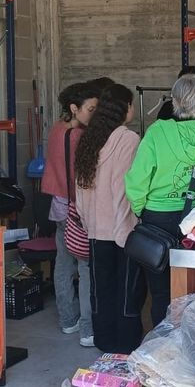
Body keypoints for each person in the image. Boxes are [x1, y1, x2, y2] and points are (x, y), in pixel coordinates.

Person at [126, 73, 195, 327]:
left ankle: (164, 345)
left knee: (161, 293)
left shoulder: (157, 133)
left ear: (174, 101)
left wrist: (141, 210)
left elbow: (136, 180)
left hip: (156, 221)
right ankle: (194, 343)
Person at [75, 84, 146, 353]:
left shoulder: (90, 139)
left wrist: (88, 223)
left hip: (96, 230)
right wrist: (126, 227)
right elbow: (123, 188)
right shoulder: (128, 139)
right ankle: (126, 343)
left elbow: (80, 189)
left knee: (101, 291)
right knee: (127, 293)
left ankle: (104, 341)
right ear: (125, 107)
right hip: (122, 230)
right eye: (131, 104)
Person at [41, 82, 99, 347]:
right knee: (85, 267)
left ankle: (68, 320)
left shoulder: (56, 129)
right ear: (74, 108)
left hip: (57, 205)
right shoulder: (77, 136)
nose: (94, 114)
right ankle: (87, 330)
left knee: (63, 264)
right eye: (91, 109)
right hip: (76, 207)